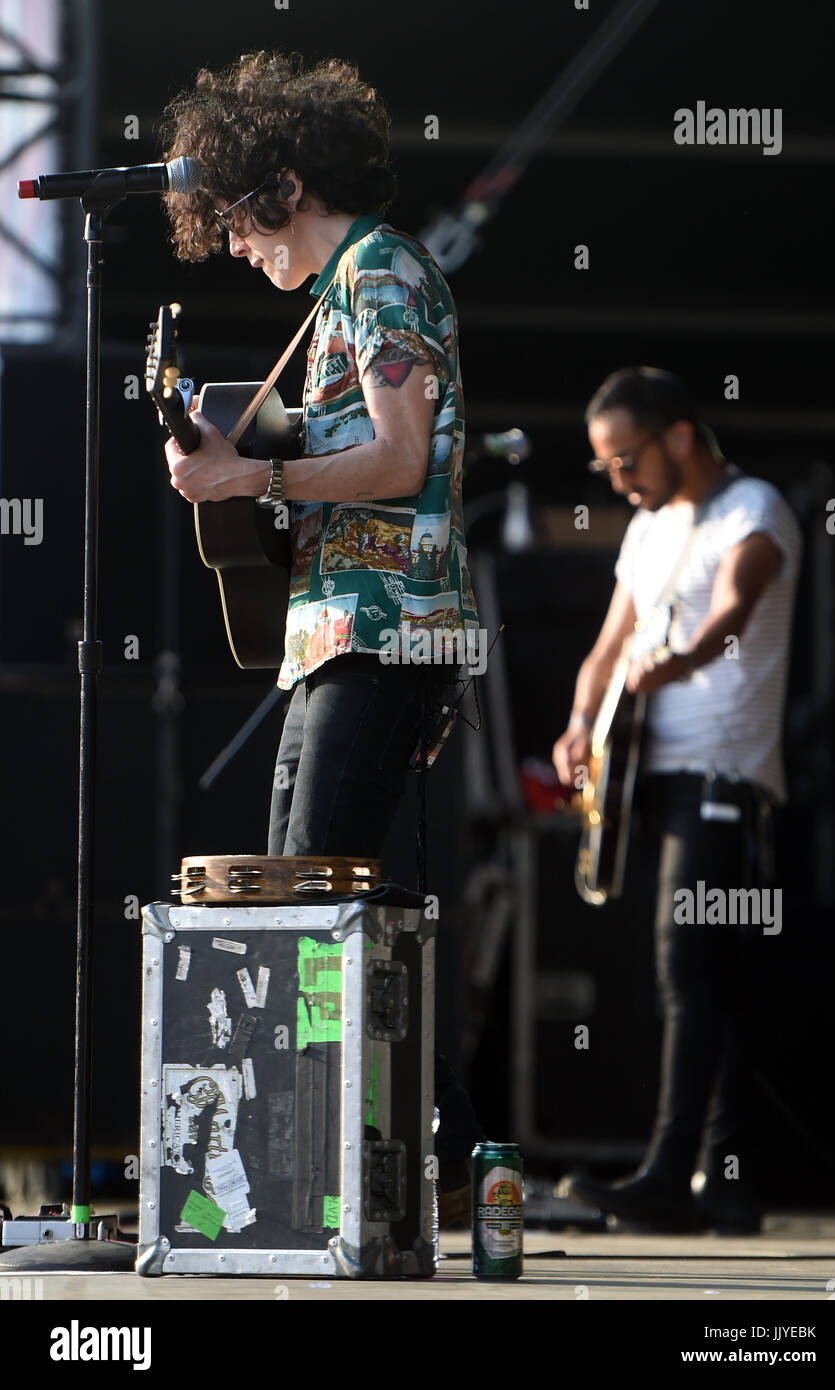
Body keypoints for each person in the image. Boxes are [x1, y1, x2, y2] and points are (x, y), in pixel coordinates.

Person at [159, 50, 484, 1223]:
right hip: (338, 632)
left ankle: (399, 1158)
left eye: (239, 227)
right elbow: (333, 450)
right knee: (307, 902)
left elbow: (400, 458)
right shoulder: (341, 293)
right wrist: (227, 452)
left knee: (316, 904)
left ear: (283, 187)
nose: (240, 251)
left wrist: (260, 467)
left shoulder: (383, 275)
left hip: (390, 630)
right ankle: (432, 1150)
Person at [552, 367, 801, 1233]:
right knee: (708, 980)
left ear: (681, 437)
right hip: (651, 773)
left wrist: (681, 662)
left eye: (627, 459)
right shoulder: (649, 530)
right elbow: (605, 647)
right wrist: (582, 720)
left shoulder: (754, 509)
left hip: (724, 775)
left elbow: (735, 607)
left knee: (688, 971)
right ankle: (726, 1186)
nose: (619, 480)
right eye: (606, 468)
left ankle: (671, 1175)